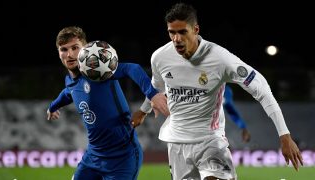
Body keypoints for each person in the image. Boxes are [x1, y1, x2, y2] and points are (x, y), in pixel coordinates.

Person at [132, 3, 303, 180]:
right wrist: (143, 110)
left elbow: (261, 89)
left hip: (210, 141)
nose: (176, 39)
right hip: (177, 143)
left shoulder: (220, 59)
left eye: (182, 32)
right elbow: (156, 87)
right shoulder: (160, 57)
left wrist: (284, 135)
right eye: (172, 32)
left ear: (196, 29)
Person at [46, 26, 169, 180]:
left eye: (74, 48)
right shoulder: (70, 81)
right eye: (63, 49)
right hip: (93, 156)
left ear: (85, 49)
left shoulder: (99, 71)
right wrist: (53, 107)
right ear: (59, 53)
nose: (69, 54)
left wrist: (152, 94)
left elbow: (132, 68)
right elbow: (68, 93)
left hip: (122, 157)